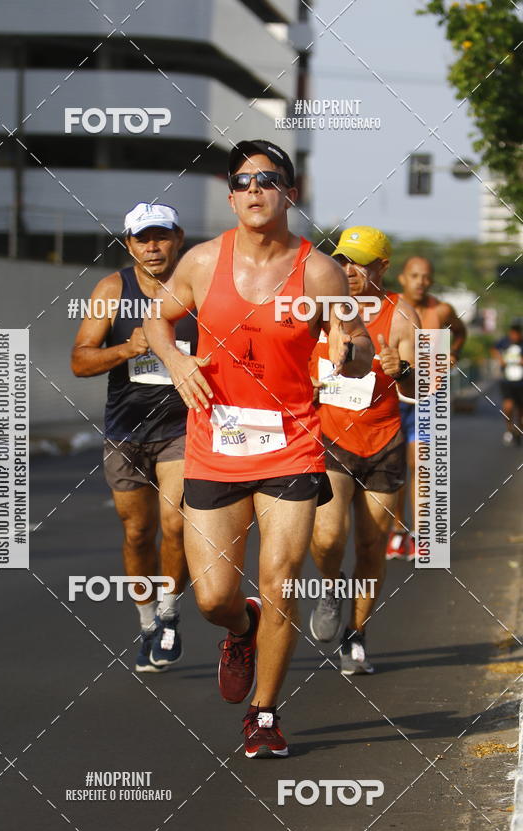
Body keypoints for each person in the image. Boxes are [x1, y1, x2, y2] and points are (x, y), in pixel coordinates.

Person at [143, 139, 373, 758]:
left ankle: (264, 714)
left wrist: (351, 349)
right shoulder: (201, 262)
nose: (254, 189)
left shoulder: (318, 271)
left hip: (291, 445)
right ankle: (240, 629)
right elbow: (157, 320)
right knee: (213, 596)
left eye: (267, 180)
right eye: (242, 181)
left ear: (289, 194)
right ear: (231, 197)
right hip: (214, 445)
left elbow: (357, 342)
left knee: (281, 581)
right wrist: (176, 362)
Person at [71, 202, 197, 672]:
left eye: (161, 236)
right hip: (126, 431)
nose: (153, 246)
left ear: (178, 238)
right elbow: (80, 360)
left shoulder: (197, 287)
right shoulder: (112, 290)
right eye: (143, 238)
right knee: (137, 533)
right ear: (129, 245)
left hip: (183, 427)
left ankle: (169, 615)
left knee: (176, 524)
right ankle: (146, 623)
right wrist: (128, 347)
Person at [308, 227, 419, 674]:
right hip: (330, 439)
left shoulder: (402, 314)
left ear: (382, 267)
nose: (348, 270)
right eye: (342, 261)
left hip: (383, 443)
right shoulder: (320, 306)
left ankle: (356, 634)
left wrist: (403, 370)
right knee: (328, 537)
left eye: (359, 262)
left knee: (371, 545)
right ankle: (331, 584)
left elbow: (425, 390)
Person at [386, 256, 467, 560]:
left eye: (426, 277)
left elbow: (460, 332)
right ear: (403, 278)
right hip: (394, 397)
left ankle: (421, 535)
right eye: (414, 276)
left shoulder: (441, 310)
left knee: (420, 464)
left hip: (427, 396)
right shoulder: (390, 307)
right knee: (394, 467)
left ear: (431, 281)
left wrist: (453, 353)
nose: (421, 282)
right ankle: (397, 531)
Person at [492, 321, 523, 446]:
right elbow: (494, 349)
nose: (515, 335)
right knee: (508, 406)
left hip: (521, 382)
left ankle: (518, 430)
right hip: (507, 380)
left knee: (520, 410)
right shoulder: (504, 341)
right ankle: (509, 428)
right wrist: (500, 359)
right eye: (513, 332)